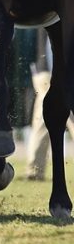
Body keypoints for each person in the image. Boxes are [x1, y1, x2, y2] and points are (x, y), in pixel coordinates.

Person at [25, 28, 74, 181]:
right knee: (70, 115)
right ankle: (34, 168)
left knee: (42, 119)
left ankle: (35, 169)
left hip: (42, 70)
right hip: (54, 70)